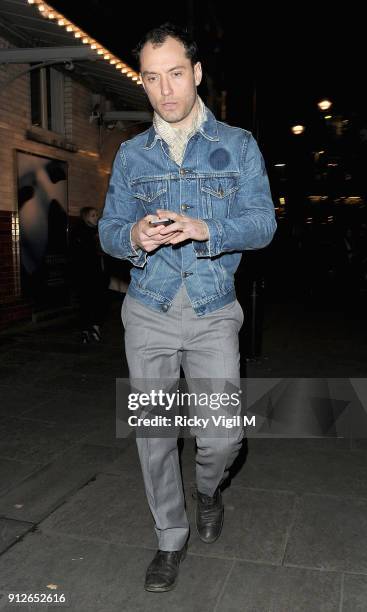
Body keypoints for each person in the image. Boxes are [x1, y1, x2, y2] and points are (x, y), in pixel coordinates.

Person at [99, 23, 276, 592]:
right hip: (147, 307)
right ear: (144, 83)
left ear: (196, 74)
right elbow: (106, 231)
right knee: (153, 435)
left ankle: (207, 492)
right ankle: (168, 539)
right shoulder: (130, 156)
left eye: (176, 74)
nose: (165, 90)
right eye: (152, 78)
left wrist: (207, 228)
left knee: (222, 435)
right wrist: (133, 237)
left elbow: (263, 224)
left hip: (212, 307)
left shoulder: (239, 144)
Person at [70, 206, 108, 343]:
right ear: (85, 217)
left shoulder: (98, 231)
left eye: (96, 214)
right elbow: (80, 254)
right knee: (86, 302)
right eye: (92, 215)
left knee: (99, 301)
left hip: (99, 274)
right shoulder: (79, 233)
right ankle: (87, 329)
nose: (96, 217)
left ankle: (95, 327)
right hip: (85, 275)